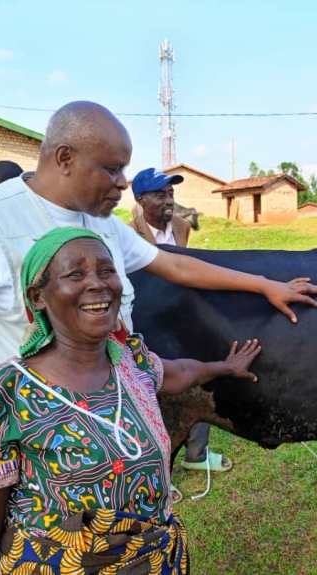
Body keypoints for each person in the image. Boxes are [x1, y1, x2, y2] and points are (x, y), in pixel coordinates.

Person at [0, 101, 317, 483]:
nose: (123, 184)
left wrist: (263, 285)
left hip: (116, 436)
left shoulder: (100, 222)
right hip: (26, 451)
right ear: (65, 158)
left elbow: (172, 263)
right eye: (113, 169)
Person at [0, 227, 261, 574]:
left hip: (154, 561)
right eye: (75, 274)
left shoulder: (130, 360)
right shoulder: (6, 392)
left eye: (106, 270)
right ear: (38, 296)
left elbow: (179, 372)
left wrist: (224, 367)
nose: (97, 283)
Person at [130, 167, 232, 499]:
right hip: (148, 323)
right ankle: (160, 475)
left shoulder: (181, 227)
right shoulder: (127, 235)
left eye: (171, 194)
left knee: (197, 381)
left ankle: (197, 454)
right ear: (140, 200)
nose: (169, 201)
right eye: (160, 195)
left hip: (182, 317)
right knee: (155, 395)